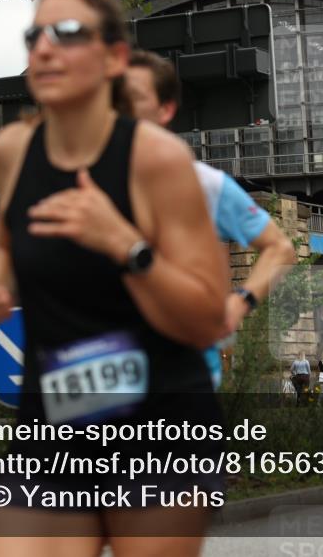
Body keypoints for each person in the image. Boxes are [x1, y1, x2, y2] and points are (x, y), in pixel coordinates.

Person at [0, 0, 228, 557]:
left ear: (112, 59)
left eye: (68, 34)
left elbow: (208, 318)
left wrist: (125, 245)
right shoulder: (12, 150)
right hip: (54, 422)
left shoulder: (155, 160)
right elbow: (13, 237)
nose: (45, 49)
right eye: (36, 35)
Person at [125, 50, 296, 387]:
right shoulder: (85, 182)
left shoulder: (204, 184)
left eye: (133, 97)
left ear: (165, 109)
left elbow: (281, 249)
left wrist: (240, 302)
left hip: (183, 382)